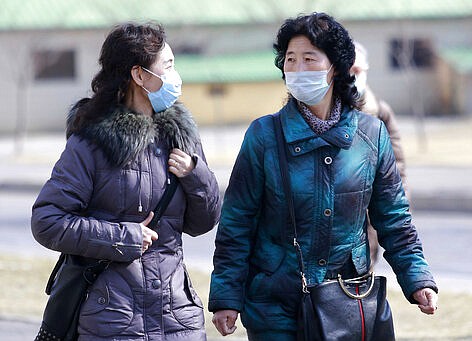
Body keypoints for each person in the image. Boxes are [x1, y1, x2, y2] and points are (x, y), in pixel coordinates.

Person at [209, 12, 438, 340]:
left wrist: (417, 279)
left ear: (336, 67)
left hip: (347, 297)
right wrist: (226, 296)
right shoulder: (263, 135)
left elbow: (395, 220)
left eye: (309, 59)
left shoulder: (371, 134)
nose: (297, 69)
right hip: (275, 305)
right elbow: (236, 223)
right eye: (290, 59)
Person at [31, 22, 221, 340]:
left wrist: (194, 173)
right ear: (139, 75)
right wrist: (124, 237)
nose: (176, 77)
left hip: (178, 318)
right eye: (168, 66)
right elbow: (47, 221)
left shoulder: (180, 134)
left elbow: (203, 223)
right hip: (112, 321)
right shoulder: (91, 142)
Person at [351, 41, 409, 269]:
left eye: (357, 70)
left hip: (369, 213)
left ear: (365, 70)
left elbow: (398, 169)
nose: (352, 76)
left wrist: (400, 217)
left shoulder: (380, 112)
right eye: (347, 69)